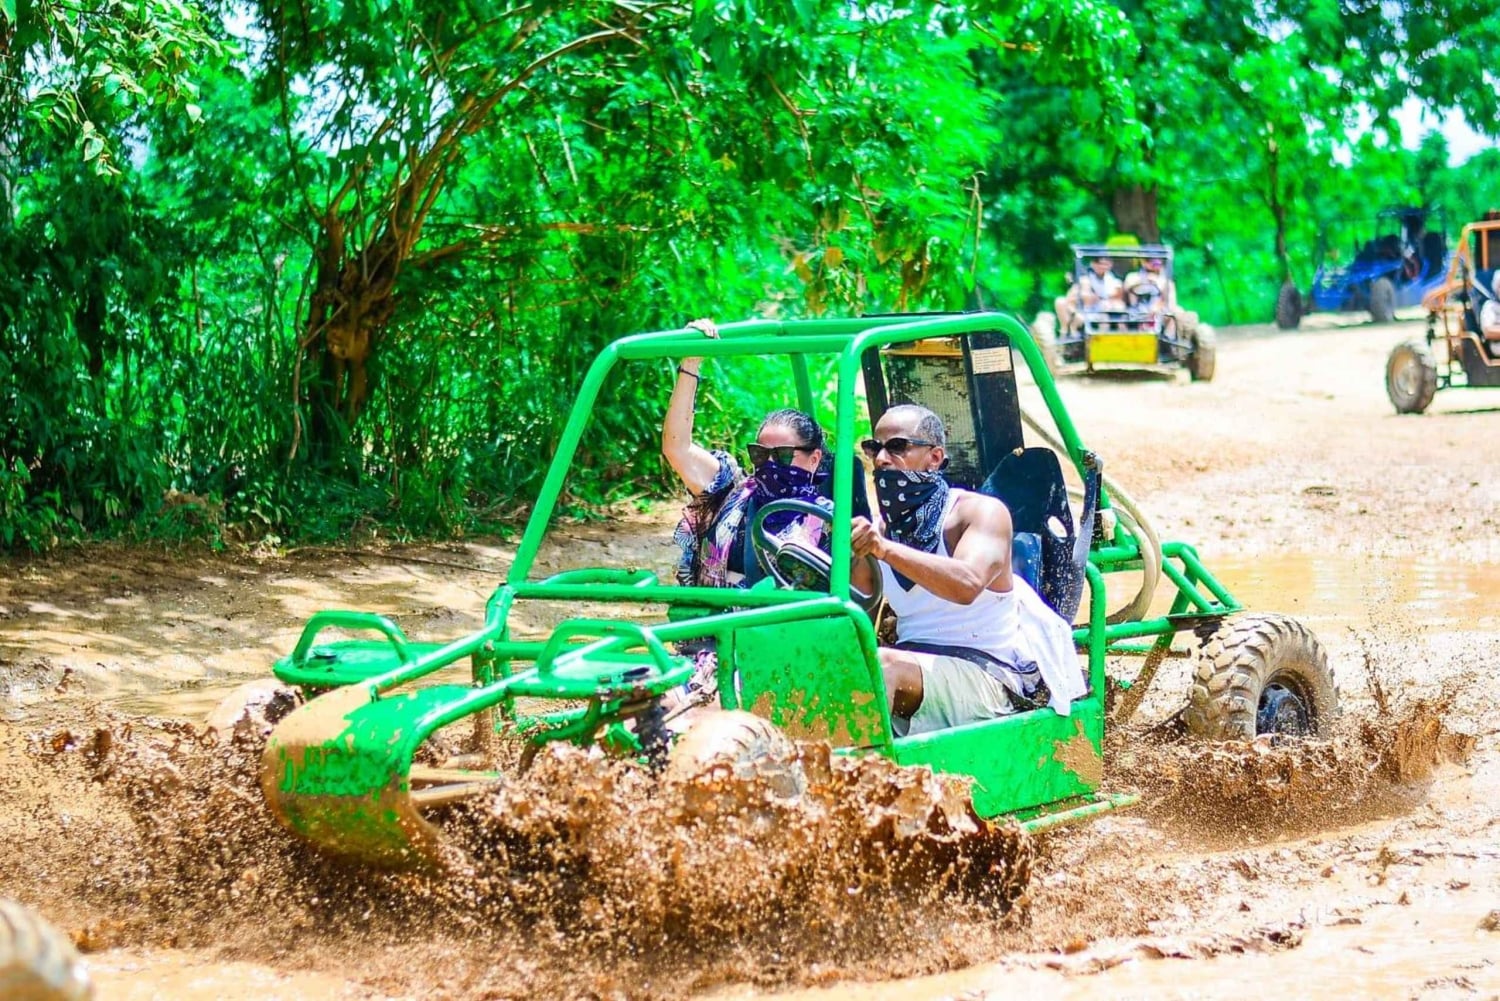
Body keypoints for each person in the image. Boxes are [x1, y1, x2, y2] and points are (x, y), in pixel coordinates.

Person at [848, 404, 1085, 737]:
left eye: (897, 446)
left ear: (934, 457)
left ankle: (853, 784)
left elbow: (967, 584)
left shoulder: (979, 513)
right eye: (874, 448)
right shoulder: (880, 530)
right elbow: (853, 610)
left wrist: (885, 550)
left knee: (881, 668)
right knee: (834, 666)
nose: (882, 459)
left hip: (987, 673)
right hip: (917, 669)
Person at [663, 320, 831, 589]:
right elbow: (677, 447)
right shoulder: (730, 493)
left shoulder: (827, 520)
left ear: (814, 459)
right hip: (714, 627)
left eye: (785, 455)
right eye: (761, 454)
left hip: (784, 628)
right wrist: (691, 364)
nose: (772, 464)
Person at [1056, 256, 1124, 332]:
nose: (1102, 267)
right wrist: (1074, 311)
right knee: (1062, 304)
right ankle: (1068, 333)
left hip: (1099, 310)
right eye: (1100, 264)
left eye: (1105, 264)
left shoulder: (1112, 279)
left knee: (1105, 317)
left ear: (1110, 265)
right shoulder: (1085, 278)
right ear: (1093, 264)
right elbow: (1073, 298)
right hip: (1081, 310)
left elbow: (1115, 297)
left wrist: (1107, 301)